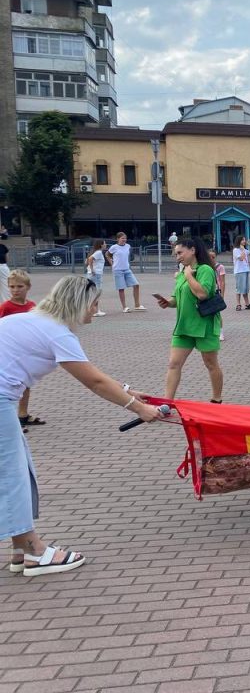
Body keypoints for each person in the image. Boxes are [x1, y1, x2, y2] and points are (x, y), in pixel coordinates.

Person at [1, 276, 163, 577]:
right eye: (94, 303)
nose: (95, 310)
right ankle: (35, 552)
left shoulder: (35, 322)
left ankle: (21, 548)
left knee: (17, 472)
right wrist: (140, 409)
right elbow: (94, 381)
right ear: (80, 303)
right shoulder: (56, 332)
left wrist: (127, 391)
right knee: (12, 477)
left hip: (4, 401)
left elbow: (91, 372)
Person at [156, 240, 223, 403]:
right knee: (174, 364)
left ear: (192, 250)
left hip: (204, 325)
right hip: (184, 326)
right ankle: (167, 403)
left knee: (211, 364)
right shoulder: (182, 271)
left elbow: (202, 294)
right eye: (175, 254)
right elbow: (177, 297)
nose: (177, 257)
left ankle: (216, 400)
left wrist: (188, 275)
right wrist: (168, 302)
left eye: (180, 253)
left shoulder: (205, 269)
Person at [1, 269, 44, 430]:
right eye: (12, 287)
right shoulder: (6, 307)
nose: (15, 290)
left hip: (24, 351)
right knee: (11, 387)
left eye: (20, 286)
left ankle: (22, 414)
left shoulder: (32, 306)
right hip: (9, 353)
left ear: (28, 287)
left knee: (25, 384)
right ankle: (10, 420)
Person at [108, 232, 145, 313]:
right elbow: (107, 254)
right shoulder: (114, 247)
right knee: (121, 288)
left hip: (127, 269)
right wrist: (112, 263)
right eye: (122, 238)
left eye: (125, 238)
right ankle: (124, 307)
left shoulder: (128, 246)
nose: (124, 240)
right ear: (118, 239)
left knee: (136, 285)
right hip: (118, 270)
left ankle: (137, 305)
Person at [85, 239, 109, 316]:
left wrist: (90, 268)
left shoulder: (94, 252)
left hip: (91, 274)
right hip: (96, 275)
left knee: (93, 293)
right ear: (101, 245)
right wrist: (92, 270)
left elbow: (87, 261)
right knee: (97, 292)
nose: (105, 245)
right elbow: (90, 259)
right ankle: (95, 311)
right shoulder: (98, 252)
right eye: (104, 243)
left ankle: (94, 310)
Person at [232, 235, 250, 310]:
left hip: (246, 270)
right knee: (239, 288)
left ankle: (247, 304)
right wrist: (242, 250)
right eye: (242, 240)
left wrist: (249, 245)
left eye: (244, 240)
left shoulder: (244, 249)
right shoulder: (236, 250)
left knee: (245, 289)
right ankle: (238, 304)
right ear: (239, 241)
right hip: (239, 271)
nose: (244, 241)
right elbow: (241, 258)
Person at [209, 248, 227, 342]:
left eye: (213, 257)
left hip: (216, 291)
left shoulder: (220, 267)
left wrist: (222, 294)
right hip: (208, 291)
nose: (211, 258)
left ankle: (221, 332)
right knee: (208, 312)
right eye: (209, 257)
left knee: (217, 313)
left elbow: (222, 282)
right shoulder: (205, 266)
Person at [0, 238, 10, 304]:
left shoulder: (3, 247)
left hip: (3, 267)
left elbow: (7, 259)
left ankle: (6, 304)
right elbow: (6, 259)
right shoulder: (3, 247)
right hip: (3, 266)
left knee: (6, 285)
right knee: (6, 286)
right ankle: (7, 303)